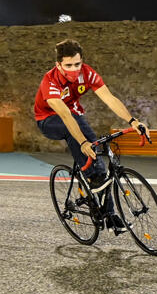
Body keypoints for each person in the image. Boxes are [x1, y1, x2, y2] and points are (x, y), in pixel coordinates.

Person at [34, 38, 149, 234]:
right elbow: (64, 115)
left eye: (77, 64)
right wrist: (83, 143)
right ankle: (89, 174)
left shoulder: (87, 73)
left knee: (102, 171)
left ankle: (111, 216)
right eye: (68, 65)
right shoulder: (50, 81)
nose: (74, 69)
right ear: (58, 65)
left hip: (74, 115)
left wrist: (133, 121)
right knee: (82, 140)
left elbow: (109, 99)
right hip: (49, 120)